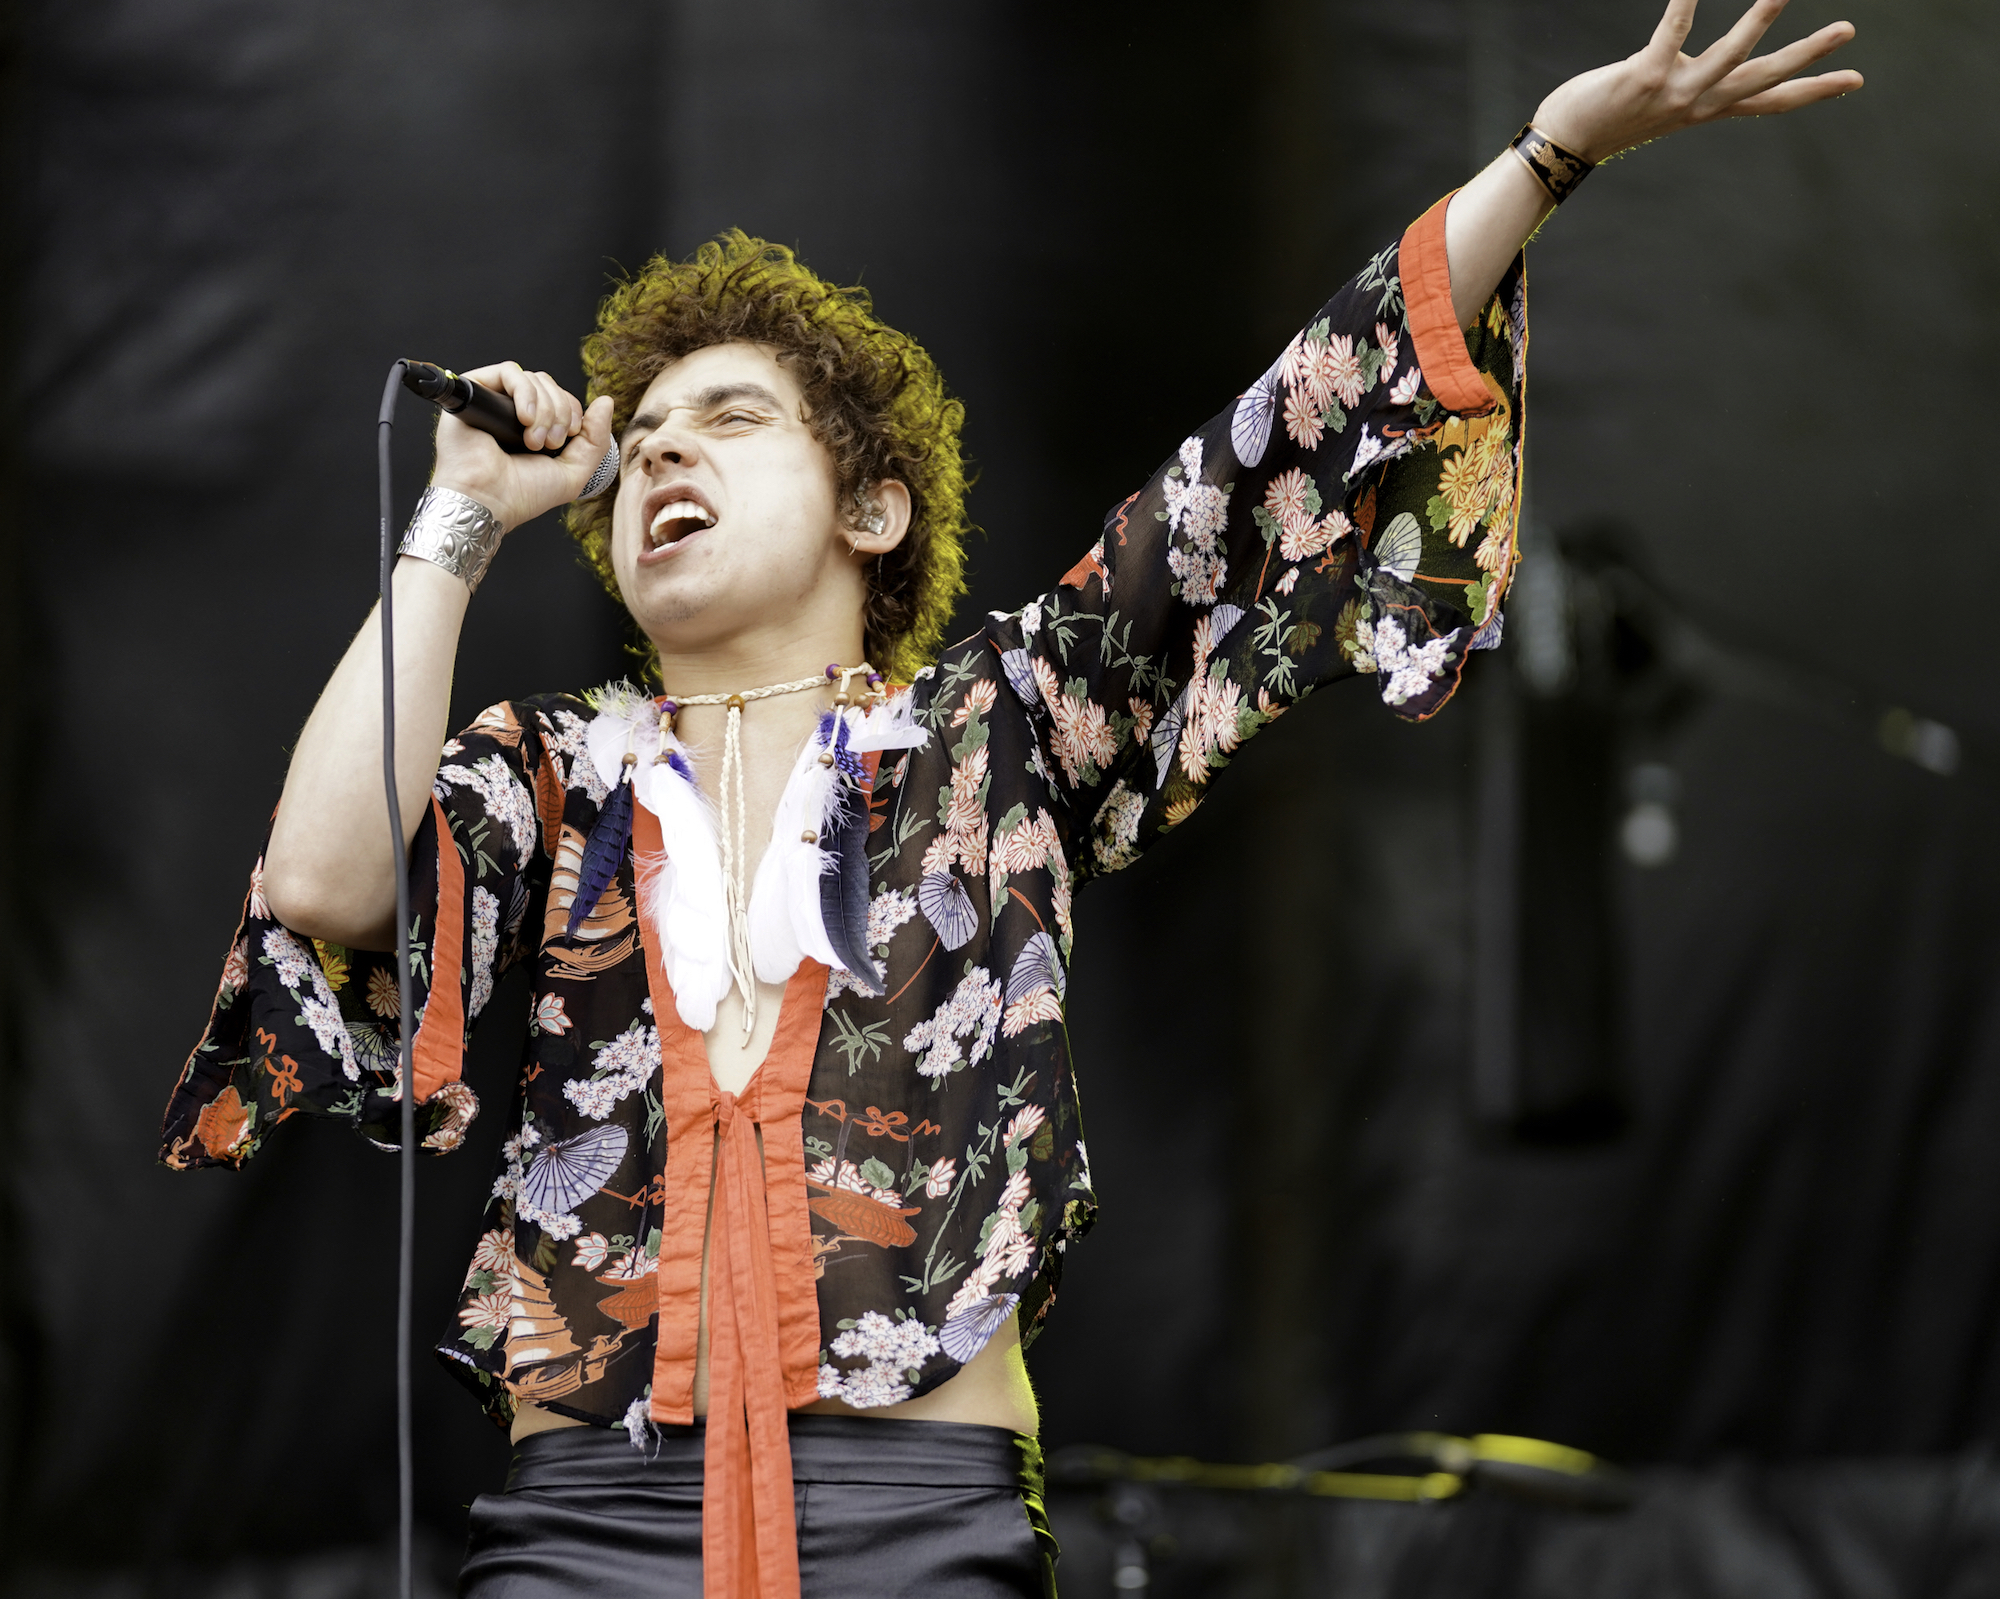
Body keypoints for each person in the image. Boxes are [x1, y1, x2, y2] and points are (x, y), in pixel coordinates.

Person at [159, 4, 1859, 1594]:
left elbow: (1285, 436)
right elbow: (324, 887)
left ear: (873, 511)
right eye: (645, 437)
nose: (662, 451)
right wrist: (459, 518)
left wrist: (1548, 156)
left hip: (913, 1520)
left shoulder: (1003, 723)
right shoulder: (543, 770)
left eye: (729, 418)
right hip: (585, 1526)